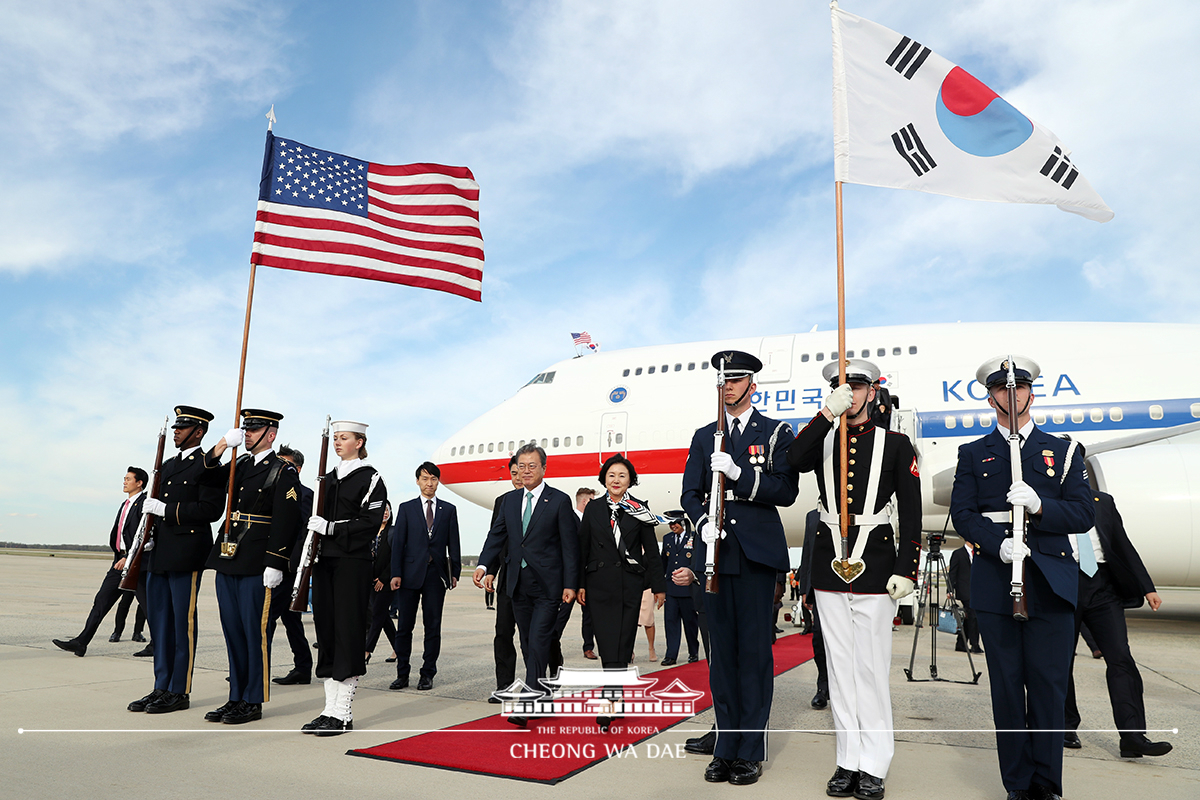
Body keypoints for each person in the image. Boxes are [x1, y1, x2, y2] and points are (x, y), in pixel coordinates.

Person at [950, 356, 1094, 800]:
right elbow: (963, 514)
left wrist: (1040, 506)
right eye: (1001, 390)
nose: (1011, 397)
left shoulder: (1065, 450)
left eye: (1019, 389)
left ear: (1032, 393)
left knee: (1049, 689)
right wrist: (998, 545)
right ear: (990, 397)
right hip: (997, 584)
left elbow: (1085, 513)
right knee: (1008, 690)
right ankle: (1017, 783)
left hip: (1051, 583)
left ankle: (1047, 784)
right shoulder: (974, 453)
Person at [788, 359, 921, 800]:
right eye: (842, 387)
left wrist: (907, 568)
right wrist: (827, 414)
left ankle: (875, 762)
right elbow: (791, 460)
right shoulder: (824, 440)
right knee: (840, 671)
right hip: (830, 566)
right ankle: (847, 760)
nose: (851, 394)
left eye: (858, 386)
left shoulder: (897, 444)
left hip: (877, 566)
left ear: (872, 391)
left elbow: (912, 510)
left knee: (870, 669)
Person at [679, 349, 799, 786]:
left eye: (737, 378)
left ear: (752, 384)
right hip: (714, 557)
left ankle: (750, 750)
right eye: (723, 379)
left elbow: (785, 490)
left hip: (755, 557)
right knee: (721, 659)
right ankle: (726, 746)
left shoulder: (775, 432)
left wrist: (741, 475)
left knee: (752, 656)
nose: (727, 385)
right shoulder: (704, 435)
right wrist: (703, 521)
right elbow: (690, 493)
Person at [202, 408, 302, 725]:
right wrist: (221, 446)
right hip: (229, 555)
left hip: (258, 562)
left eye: (253, 429)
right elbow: (206, 476)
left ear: (270, 435)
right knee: (232, 631)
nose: (246, 434)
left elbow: (287, 522)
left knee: (253, 633)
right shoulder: (241, 464)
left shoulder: (282, 472)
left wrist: (275, 563)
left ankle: (252, 700)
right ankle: (236, 697)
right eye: (245, 429)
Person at [129, 406, 226, 714]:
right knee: (160, 622)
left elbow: (211, 511)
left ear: (198, 432)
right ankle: (161, 686)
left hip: (187, 552)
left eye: (182, 429)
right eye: (175, 428)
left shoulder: (208, 465)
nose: (176, 432)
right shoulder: (168, 465)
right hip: (160, 552)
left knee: (182, 624)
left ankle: (179, 690)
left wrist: (166, 512)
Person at [474, 443, 579, 726]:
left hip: (548, 586)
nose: (526, 471)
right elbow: (496, 537)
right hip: (517, 585)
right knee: (527, 641)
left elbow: (570, 547)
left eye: (532, 466)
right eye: (522, 466)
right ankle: (545, 696)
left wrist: (571, 583)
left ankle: (529, 700)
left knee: (539, 640)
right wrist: (484, 565)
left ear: (544, 468)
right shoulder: (508, 501)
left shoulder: (559, 500)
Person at [1063, 490, 1171, 758]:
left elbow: (1122, 544)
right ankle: (1064, 727)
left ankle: (1133, 736)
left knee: (1121, 658)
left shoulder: (1103, 501)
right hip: (1062, 584)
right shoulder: (1044, 499)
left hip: (1103, 586)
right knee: (1061, 661)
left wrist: (1147, 587)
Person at [302, 420, 387, 735]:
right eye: (335, 438)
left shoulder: (371, 478)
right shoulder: (328, 480)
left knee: (348, 634)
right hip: (326, 562)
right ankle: (329, 710)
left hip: (353, 563)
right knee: (326, 632)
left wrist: (333, 528)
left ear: (360, 441)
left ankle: (343, 712)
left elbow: (369, 522)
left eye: (344, 438)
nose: (338, 443)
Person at [577, 454, 666, 671]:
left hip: (630, 584)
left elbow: (653, 551)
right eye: (612, 475)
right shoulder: (593, 508)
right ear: (604, 479)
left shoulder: (639, 508)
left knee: (624, 641)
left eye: (622, 476)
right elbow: (583, 549)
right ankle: (614, 691)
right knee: (606, 641)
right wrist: (579, 583)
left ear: (630, 480)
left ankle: (616, 691)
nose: (616, 480)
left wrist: (659, 587)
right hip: (598, 584)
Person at [53, 467, 148, 657]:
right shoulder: (125, 504)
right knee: (101, 601)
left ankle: (158, 645)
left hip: (136, 563)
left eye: (128, 479)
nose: (124, 481)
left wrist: (128, 556)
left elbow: (144, 535)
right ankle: (81, 642)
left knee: (148, 605)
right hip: (118, 561)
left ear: (140, 483)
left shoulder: (145, 504)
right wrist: (119, 555)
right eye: (124, 478)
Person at [389, 461, 459, 691]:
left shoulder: (448, 509)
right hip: (409, 575)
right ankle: (402, 673)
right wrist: (396, 573)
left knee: (433, 627)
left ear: (438, 482)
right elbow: (398, 543)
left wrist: (454, 573)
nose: (429, 483)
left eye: (434, 479)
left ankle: (427, 673)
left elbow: (454, 544)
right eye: (425, 479)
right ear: (418, 481)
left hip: (435, 576)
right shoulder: (406, 508)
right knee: (404, 627)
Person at [269, 444, 314, 686]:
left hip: (287, 567)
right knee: (290, 619)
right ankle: (303, 667)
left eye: (284, 464)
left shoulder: (304, 494)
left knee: (265, 619)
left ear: (297, 468)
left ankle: (255, 668)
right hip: (269, 565)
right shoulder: (270, 490)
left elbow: (303, 532)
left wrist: (291, 565)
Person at [486, 456, 522, 701]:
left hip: (538, 582)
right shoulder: (502, 502)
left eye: (523, 471)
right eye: (514, 473)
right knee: (503, 634)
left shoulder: (551, 501)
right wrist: (490, 570)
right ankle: (505, 687)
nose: (518, 477)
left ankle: (543, 685)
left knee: (538, 638)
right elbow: (495, 539)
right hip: (508, 580)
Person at [659, 511, 701, 666]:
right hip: (671, 589)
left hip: (687, 590)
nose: (672, 526)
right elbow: (664, 562)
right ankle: (671, 655)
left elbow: (697, 561)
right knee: (670, 623)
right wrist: (660, 585)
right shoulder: (667, 538)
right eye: (670, 524)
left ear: (682, 523)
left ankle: (693, 651)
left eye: (675, 523)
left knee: (690, 623)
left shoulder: (694, 537)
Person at [798, 508, 829, 710]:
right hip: (819, 588)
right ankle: (823, 688)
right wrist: (804, 589)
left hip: (848, 587)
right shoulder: (812, 516)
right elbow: (807, 552)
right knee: (818, 639)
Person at [364, 502, 397, 664]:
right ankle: (399, 648)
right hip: (370, 580)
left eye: (387, 509)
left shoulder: (394, 532)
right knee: (383, 617)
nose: (384, 512)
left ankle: (367, 650)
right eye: (381, 509)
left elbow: (396, 558)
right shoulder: (370, 532)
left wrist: (384, 578)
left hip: (387, 581)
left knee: (377, 614)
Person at [575, 487, 598, 660]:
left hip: (590, 576)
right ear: (585, 502)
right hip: (572, 577)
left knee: (590, 615)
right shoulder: (570, 519)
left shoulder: (592, 521)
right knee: (560, 616)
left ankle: (588, 647)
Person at [948, 543, 983, 654]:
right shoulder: (958, 553)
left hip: (976, 591)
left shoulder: (978, 554)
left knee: (968, 618)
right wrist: (950, 590)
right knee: (974, 616)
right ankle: (975, 645)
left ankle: (961, 644)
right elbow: (952, 573)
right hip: (964, 590)